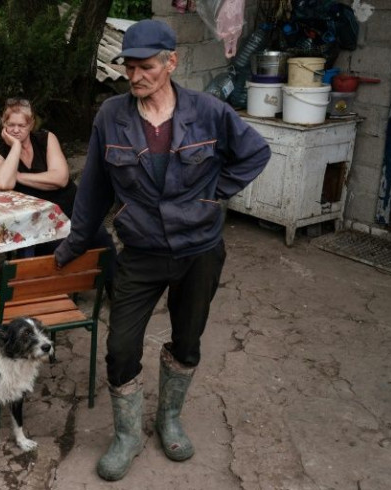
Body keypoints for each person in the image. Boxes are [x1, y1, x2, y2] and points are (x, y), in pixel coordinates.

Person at [53, 19, 271, 481]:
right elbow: (93, 188)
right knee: (120, 347)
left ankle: (169, 418)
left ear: (171, 62)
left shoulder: (209, 111)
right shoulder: (111, 115)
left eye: (146, 67)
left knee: (187, 340)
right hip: (141, 252)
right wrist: (72, 245)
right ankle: (128, 436)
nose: (135, 77)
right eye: (129, 67)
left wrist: (216, 191)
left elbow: (255, 152)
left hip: (200, 250)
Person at [0, 98, 116, 282]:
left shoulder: (46, 139)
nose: (16, 130)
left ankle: (115, 292)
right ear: (4, 125)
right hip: (40, 225)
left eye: (21, 125)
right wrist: (16, 147)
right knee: (57, 248)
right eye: (11, 125)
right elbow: (2, 183)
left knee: (101, 238)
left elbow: (60, 178)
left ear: (31, 124)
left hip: (72, 211)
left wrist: (17, 176)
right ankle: (58, 294)